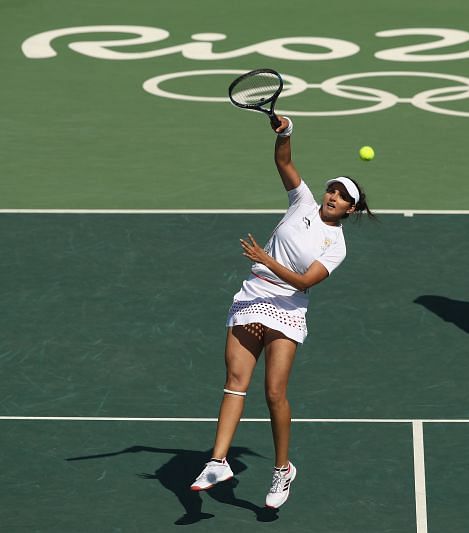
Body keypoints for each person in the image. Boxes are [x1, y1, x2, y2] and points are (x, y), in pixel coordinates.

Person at [190, 114, 374, 508]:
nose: (332, 196)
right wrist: (285, 133)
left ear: (350, 209)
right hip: (253, 296)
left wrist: (264, 258)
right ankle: (218, 461)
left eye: (341, 196)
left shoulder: (336, 246)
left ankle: (281, 470)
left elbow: (305, 282)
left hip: (287, 307)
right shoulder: (302, 202)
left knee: (274, 392)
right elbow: (285, 163)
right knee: (235, 381)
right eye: (331, 190)